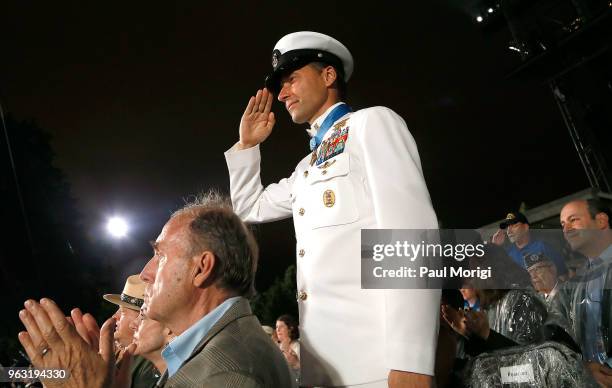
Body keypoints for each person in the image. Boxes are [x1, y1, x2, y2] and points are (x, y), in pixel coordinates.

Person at [225, 31, 440, 387]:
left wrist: (412, 359)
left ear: (329, 76)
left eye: (291, 78)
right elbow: (249, 208)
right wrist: (247, 146)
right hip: (325, 372)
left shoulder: (371, 123)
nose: (281, 94)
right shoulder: (306, 167)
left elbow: (410, 236)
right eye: (280, 85)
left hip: (379, 369)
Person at [17, 193, 292, 388]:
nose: (145, 273)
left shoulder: (226, 375)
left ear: (202, 268)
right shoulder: (215, 351)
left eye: (160, 256)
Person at [548, 199, 612, 386]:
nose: (566, 229)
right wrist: (585, 366)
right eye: (562, 225)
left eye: (573, 220)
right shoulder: (576, 284)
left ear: (601, 221)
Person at [104, 274, 159, 388]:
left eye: (123, 312)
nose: (115, 316)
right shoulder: (112, 351)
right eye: (117, 310)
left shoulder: (151, 363)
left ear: (142, 317)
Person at [492, 211, 568, 277]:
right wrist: (494, 247)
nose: (509, 231)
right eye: (508, 227)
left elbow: (563, 273)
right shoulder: (507, 253)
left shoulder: (542, 247)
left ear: (525, 227)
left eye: (514, 225)